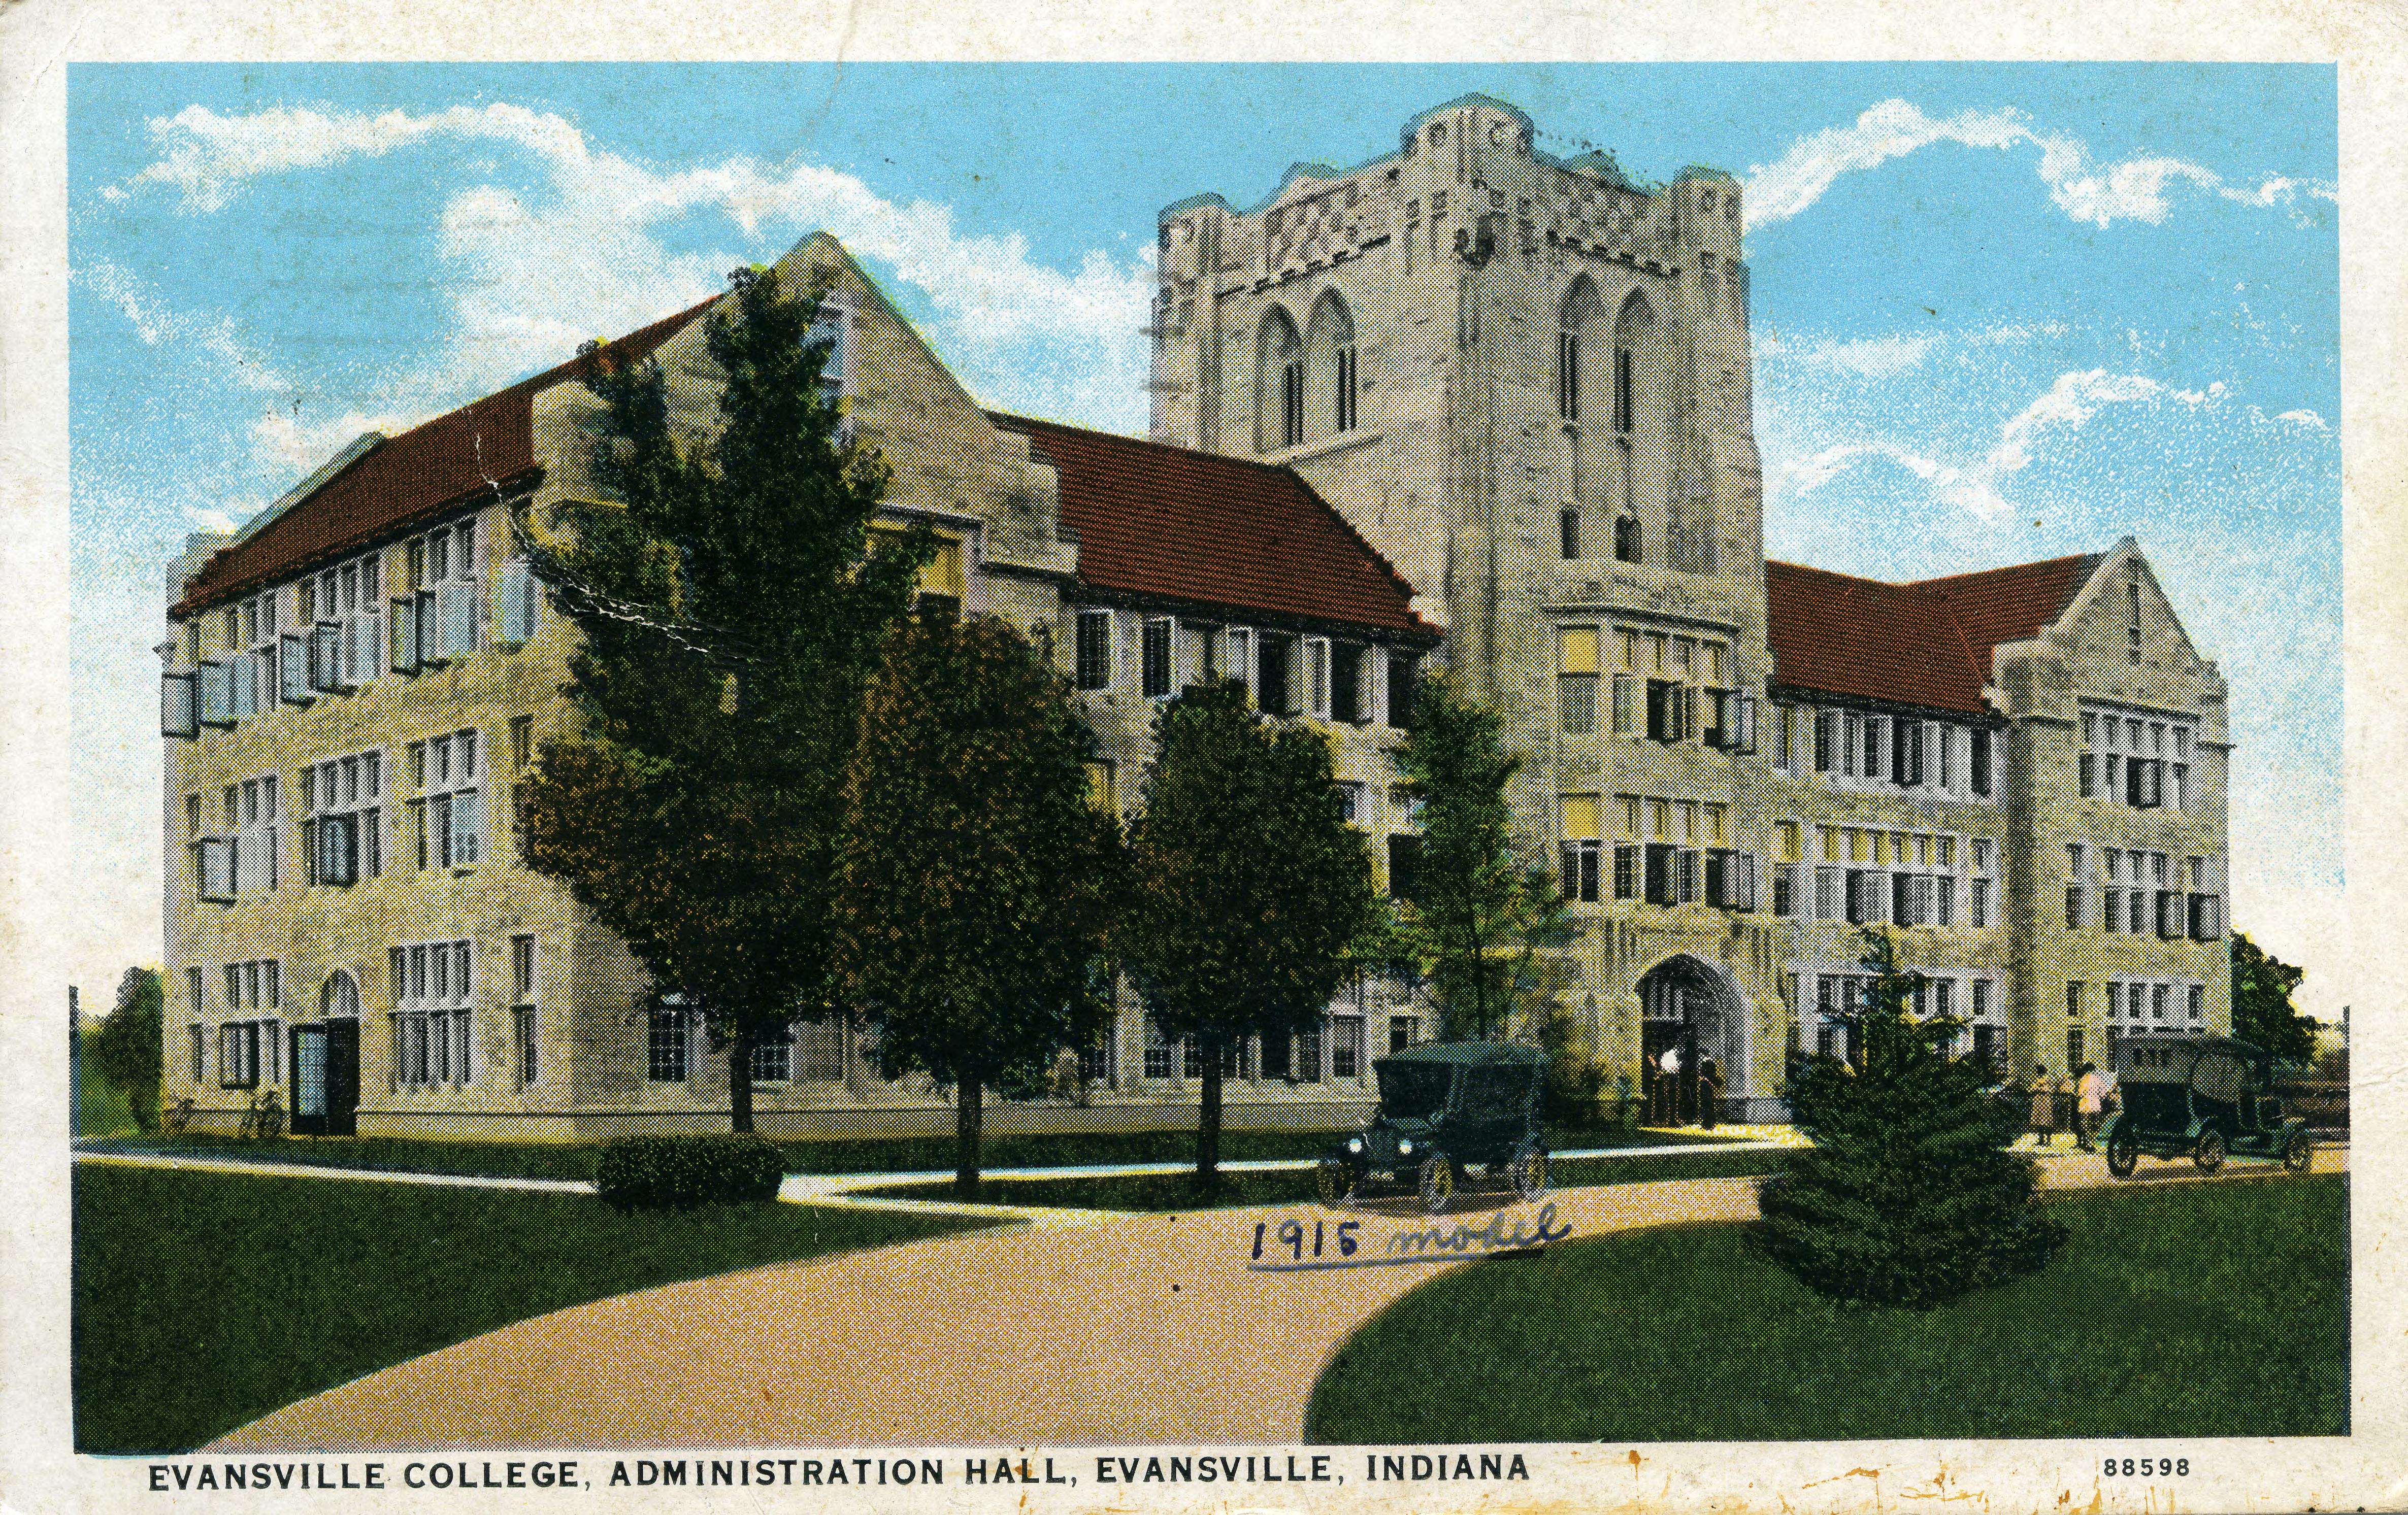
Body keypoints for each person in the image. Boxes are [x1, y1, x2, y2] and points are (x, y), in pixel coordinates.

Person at [2074, 1061, 2105, 1151]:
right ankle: (2092, 1143)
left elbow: (2080, 1093)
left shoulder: (2083, 1079)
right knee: (2094, 1126)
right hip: (2095, 1104)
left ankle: (2086, 1143)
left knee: (2086, 1125)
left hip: (2085, 1104)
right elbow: (2103, 1093)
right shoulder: (2098, 1079)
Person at [2029, 1063, 2059, 1149]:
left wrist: (2041, 1089)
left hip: (2045, 1102)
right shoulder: (2036, 1080)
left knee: (2046, 1121)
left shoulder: (2047, 1080)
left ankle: (2048, 1139)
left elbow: (2051, 1090)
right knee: (2040, 1121)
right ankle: (2042, 1139)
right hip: (2039, 1102)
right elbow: (2032, 1089)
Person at [1657, 1041, 1683, 1125]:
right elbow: (1666, 1066)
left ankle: (1671, 1119)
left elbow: (1665, 1066)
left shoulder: (1669, 1055)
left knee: (1671, 1099)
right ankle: (1670, 1119)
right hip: (1670, 1078)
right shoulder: (1669, 1055)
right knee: (1671, 1099)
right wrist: (1673, 1069)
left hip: (1670, 1078)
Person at [1697, 1053, 1722, 1131]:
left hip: (1707, 1085)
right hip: (1707, 1085)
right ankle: (1708, 1124)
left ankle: (1708, 1124)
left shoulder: (1705, 1063)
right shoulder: (1709, 1063)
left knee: (1707, 1104)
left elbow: (1703, 1074)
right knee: (1707, 1104)